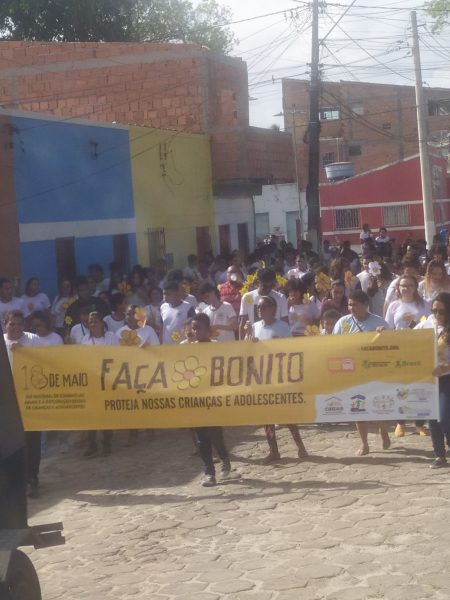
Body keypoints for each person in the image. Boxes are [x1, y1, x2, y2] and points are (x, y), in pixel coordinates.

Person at [246, 296, 308, 463]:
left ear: (272, 309)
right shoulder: (254, 327)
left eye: (263, 307)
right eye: (258, 307)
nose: (260, 310)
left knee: (287, 414)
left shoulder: (282, 327)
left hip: (278, 376)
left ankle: (300, 446)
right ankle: (273, 450)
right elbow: (247, 348)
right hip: (262, 377)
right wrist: (247, 334)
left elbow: (290, 349)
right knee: (266, 417)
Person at [333, 291, 391, 456]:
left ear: (366, 305)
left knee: (377, 407)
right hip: (352, 373)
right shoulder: (343, 323)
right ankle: (364, 443)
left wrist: (384, 335)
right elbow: (333, 344)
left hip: (374, 372)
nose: (352, 308)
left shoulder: (379, 322)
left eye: (355, 305)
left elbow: (392, 344)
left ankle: (383, 431)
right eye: (350, 304)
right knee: (358, 408)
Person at [190, 312, 231, 486]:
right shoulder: (186, 348)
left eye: (199, 328)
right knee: (201, 437)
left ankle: (224, 458)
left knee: (215, 434)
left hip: (214, 398)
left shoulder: (217, 347)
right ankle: (209, 472)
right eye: (193, 328)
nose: (195, 332)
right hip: (196, 399)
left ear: (208, 330)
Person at [3, 310, 40, 497]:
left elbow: (45, 361)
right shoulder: (2, 342)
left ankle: (32, 477)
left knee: (31, 440)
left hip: (30, 400)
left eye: (19, 324)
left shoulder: (33, 340)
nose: (16, 327)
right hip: (6, 400)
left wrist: (25, 352)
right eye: (12, 324)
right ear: (5, 324)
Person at [82, 312, 115, 458]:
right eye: (90, 322)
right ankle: (92, 444)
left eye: (95, 321)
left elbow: (118, 355)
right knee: (92, 413)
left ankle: (107, 442)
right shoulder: (85, 340)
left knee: (106, 412)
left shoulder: (111, 337)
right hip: (92, 381)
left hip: (108, 380)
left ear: (102, 323)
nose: (92, 324)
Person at [422, 293, 450, 468]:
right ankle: (439, 455)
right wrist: (383, 332)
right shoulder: (426, 324)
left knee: (445, 417)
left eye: (442, 311)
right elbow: (405, 338)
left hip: (448, 379)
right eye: (434, 311)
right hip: (430, 380)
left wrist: (447, 367)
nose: (437, 315)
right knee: (432, 418)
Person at [239, 268, 288, 339]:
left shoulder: (281, 298)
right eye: (265, 286)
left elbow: (285, 323)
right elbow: (243, 323)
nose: (268, 289)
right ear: (258, 282)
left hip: (276, 339)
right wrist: (241, 344)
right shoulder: (247, 297)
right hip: (254, 339)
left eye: (271, 286)